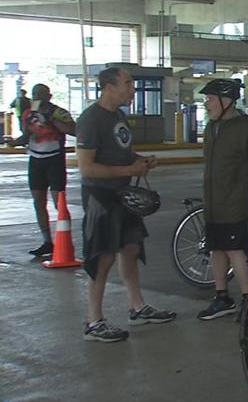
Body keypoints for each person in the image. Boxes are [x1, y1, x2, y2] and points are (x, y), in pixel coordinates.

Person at [76, 67, 176, 343]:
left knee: (131, 248)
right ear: (109, 87)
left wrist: (139, 160)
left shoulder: (118, 116)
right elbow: (87, 168)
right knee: (103, 255)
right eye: (128, 83)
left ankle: (137, 306)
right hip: (101, 196)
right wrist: (129, 169)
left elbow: (121, 152)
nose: (133, 89)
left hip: (124, 195)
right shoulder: (91, 119)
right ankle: (93, 320)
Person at [196, 79, 248, 320]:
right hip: (213, 204)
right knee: (216, 248)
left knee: (235, 250)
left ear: (227, 102)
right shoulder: (211, 128)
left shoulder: (244, 129)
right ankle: (222, 296)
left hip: (233, 204)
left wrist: (244, 192)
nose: (207, 104)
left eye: (211, 99)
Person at [2, 84, 76, 257]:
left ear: (49, 96)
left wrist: (52, 118)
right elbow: (26, 136)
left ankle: (65, 240)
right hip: (35, 160)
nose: (38, 98)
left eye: (41, 95)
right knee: (38, 201)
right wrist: (14, 142)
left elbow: (74, 130)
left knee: (60, 202)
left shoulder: (58, 112)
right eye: (35, 95)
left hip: (54, 160)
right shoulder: (29, 114)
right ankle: (47, 241)